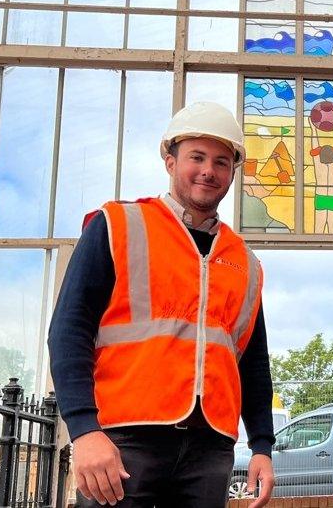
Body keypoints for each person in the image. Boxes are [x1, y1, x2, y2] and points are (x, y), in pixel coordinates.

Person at [48, 101, 275, 507]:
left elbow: (253, 363)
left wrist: (261, 445)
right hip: (123, 440)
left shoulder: (246, 263)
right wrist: (84, 431)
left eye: (222, 162)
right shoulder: (118, 226)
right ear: (170, 161)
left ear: (232, 173)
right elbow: (69, 330)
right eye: (197, 157)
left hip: (209, 450)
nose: (209, 170)